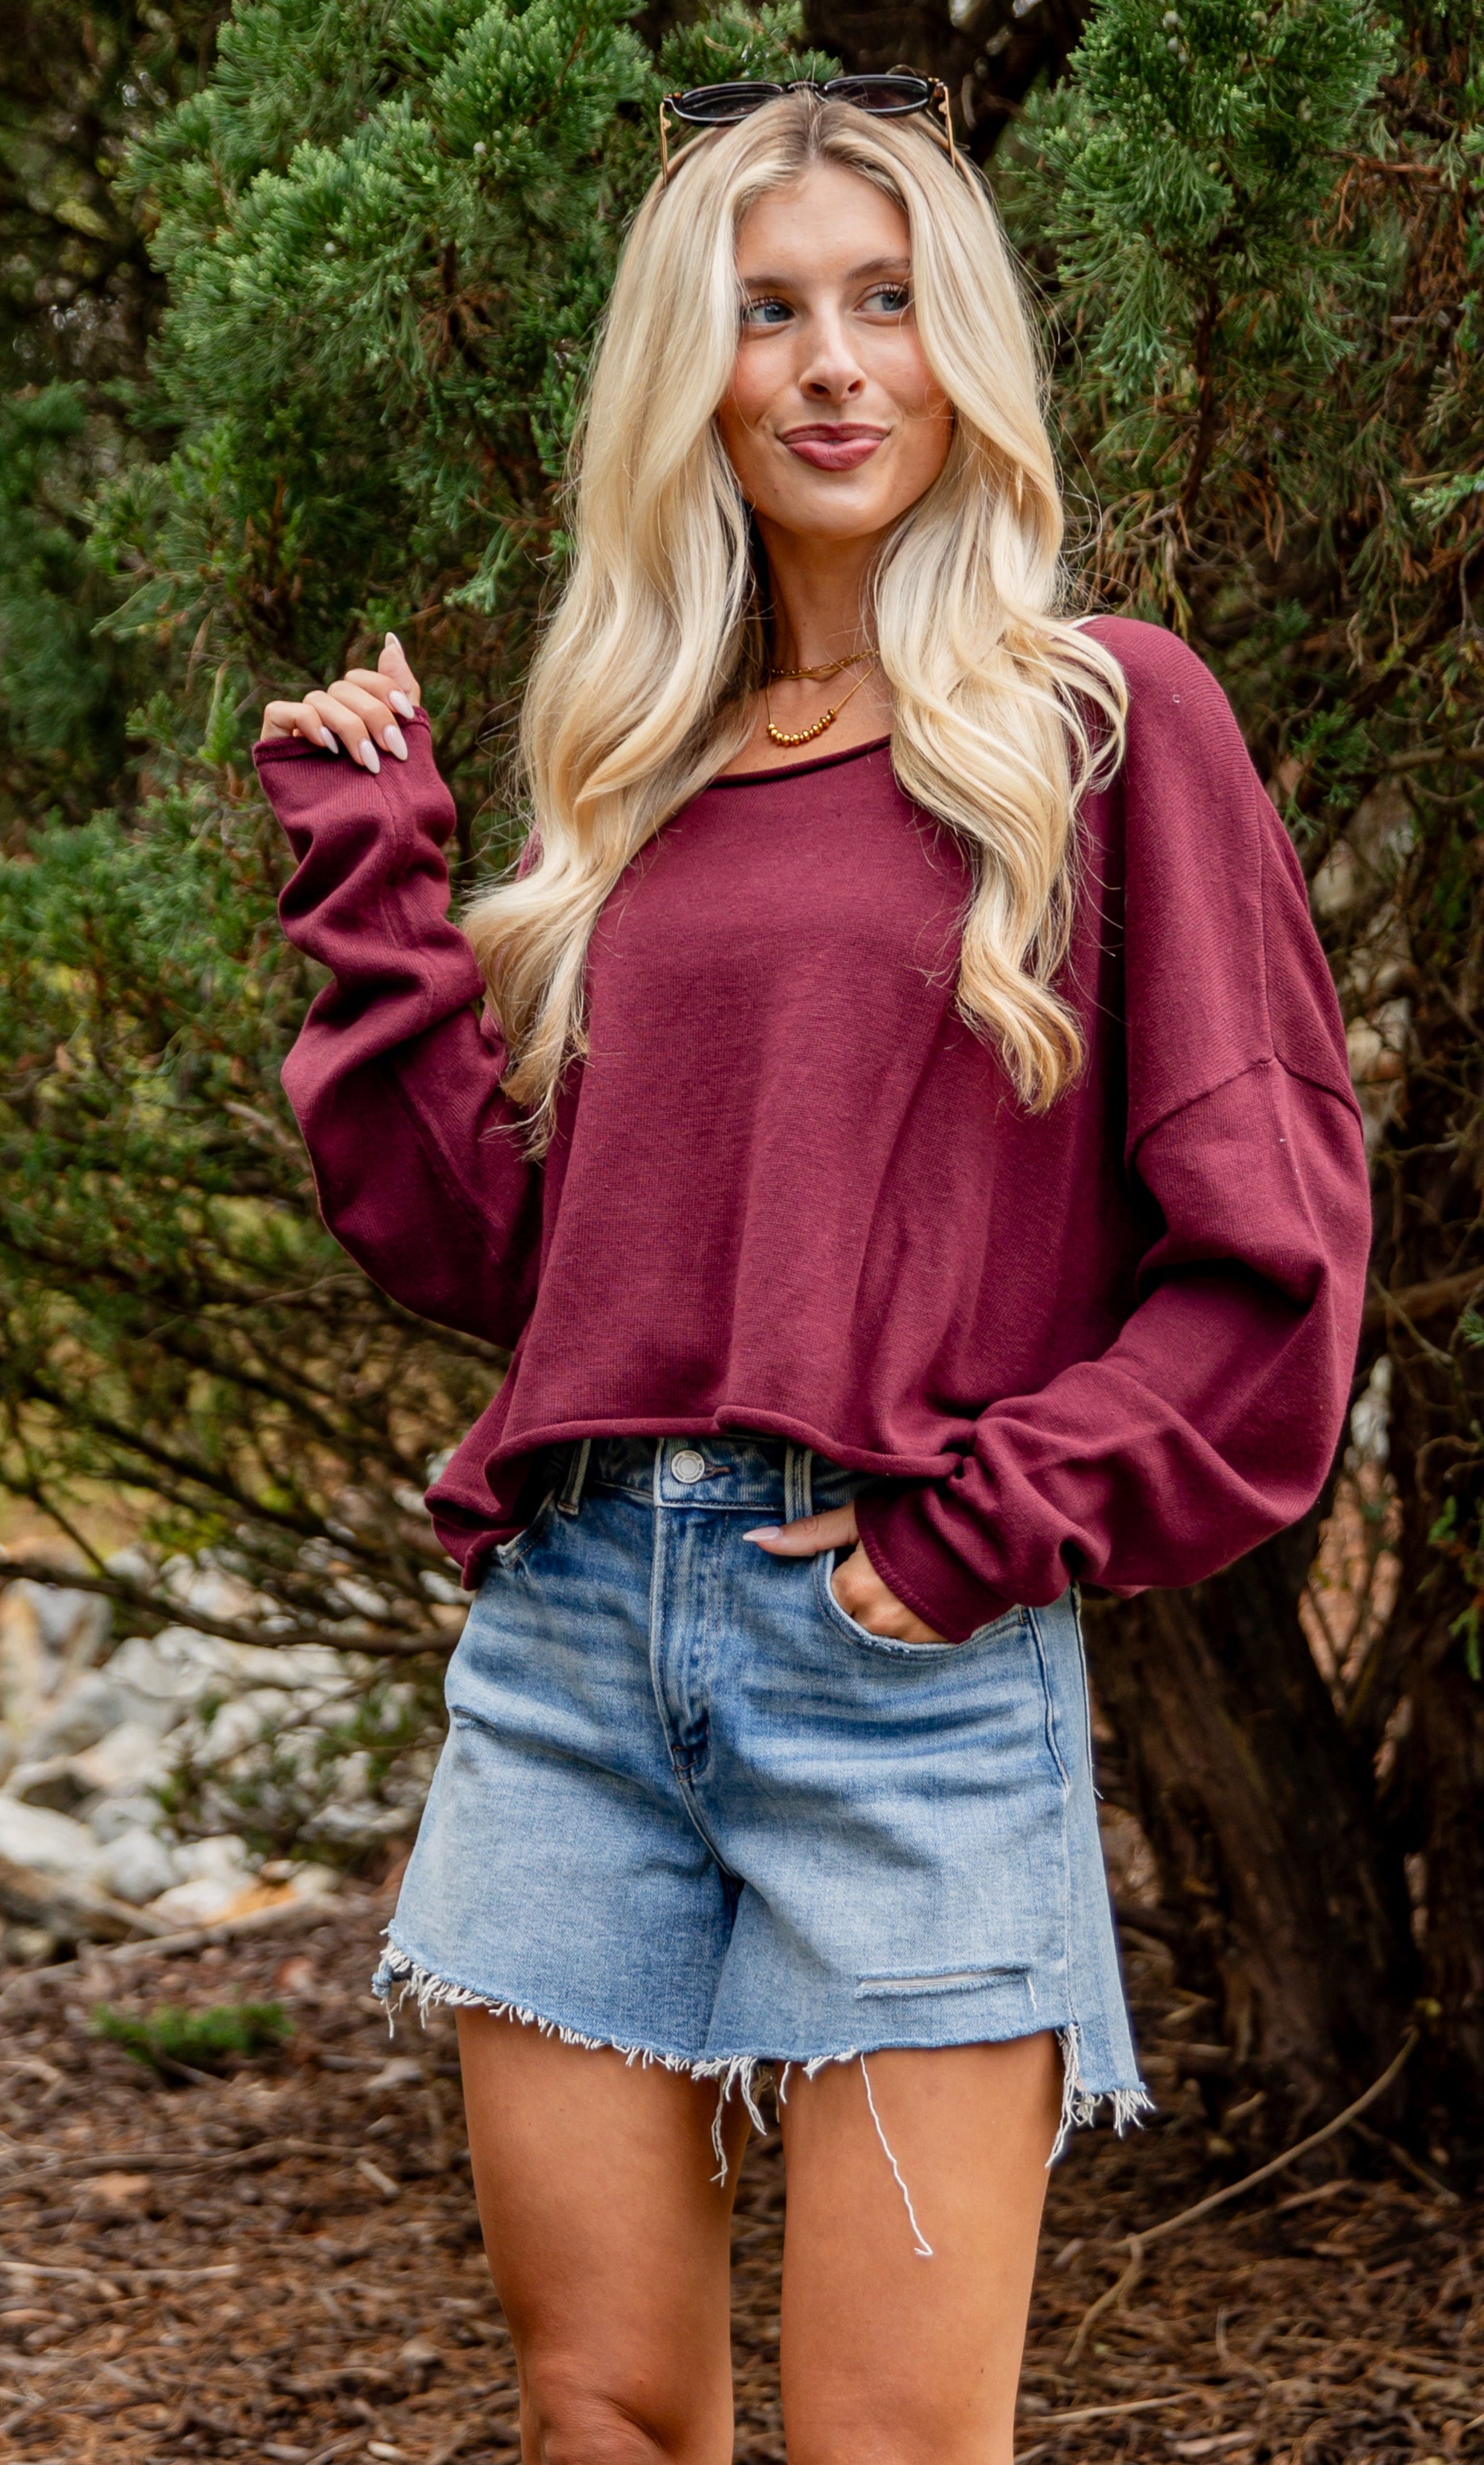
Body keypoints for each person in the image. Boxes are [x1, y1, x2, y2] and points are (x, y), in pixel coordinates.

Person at [254, 81, 1370, 2465]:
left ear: (961, 355)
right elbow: (494, 1254)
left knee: (890, 2444)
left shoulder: (1098, 725)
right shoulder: (636, 773)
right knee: (606, 2417)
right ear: (696, 377)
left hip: (900, 1664)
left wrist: (958, 1545)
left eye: (888, 303)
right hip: (568, 1645)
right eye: (768, 313)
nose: (833, 363)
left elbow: (1272, 1266)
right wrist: (379, 884)